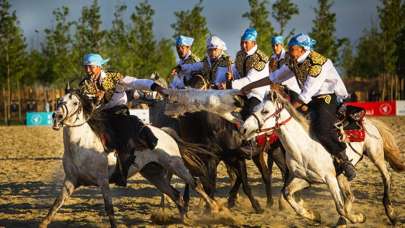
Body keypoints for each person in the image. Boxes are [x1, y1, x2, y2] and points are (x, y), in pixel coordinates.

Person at [240, 33, 356, 181]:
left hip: (327, 97)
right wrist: (249, 86)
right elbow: (274, 77)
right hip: (310, 100)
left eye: (292, 48)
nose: (288, 51)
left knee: (320, 129)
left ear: (302, 49)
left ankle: (345, 160)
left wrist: (286, 110)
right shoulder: (294, 61)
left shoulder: (317, 64)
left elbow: (306, 94)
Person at [80, 53, 166, 186]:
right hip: (99, 114)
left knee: (126, 137)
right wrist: (94, 101)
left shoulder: (113, 77)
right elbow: (84, 102)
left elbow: (134, 82)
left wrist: (154, 86)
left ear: (98, 67)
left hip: (118, 111)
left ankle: (122, 170)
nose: (87, 70)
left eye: (90, 67)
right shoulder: (85, 84)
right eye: (86, 67)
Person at [231, 28, 270, 119]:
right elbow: (237, 71)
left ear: (253, 43)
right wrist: (232, 76)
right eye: (241, 43)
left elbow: (250, 80)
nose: (243, 45)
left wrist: (230, 84)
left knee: (248, 115)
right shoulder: (239, 54)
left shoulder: (261, 58)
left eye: (246, 43)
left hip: (257, 93)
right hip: (241, 89)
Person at [269, 35, 300, 102]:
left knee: (295, 105)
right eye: (273, 46)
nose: (275, 48)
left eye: (277, 45)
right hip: (277, 88)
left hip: (291, 88)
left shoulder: (289, 56)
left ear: (282, 45)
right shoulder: (272, 58)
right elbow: (270, 74)